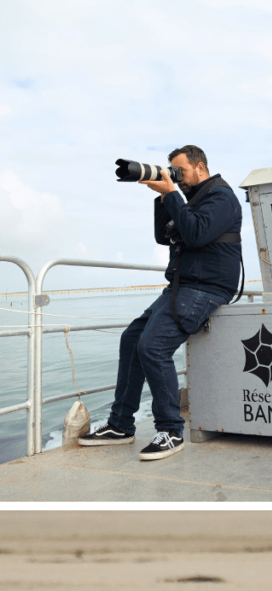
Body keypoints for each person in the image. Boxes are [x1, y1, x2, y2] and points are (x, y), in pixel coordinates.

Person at [78, 145, 242, 461]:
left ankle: (170, 431)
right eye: (173, 172)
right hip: (182, 286)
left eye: (181, 171)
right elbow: (162, 236)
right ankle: (120, 425)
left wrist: (171, 193)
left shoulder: (221, 197)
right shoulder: (189, 198)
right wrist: (163, 196)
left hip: (207, 287)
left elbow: (196, 234)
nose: (177, 177)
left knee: (153, 347)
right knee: (131, 340)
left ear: (200, 168)